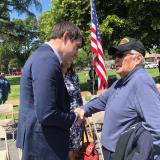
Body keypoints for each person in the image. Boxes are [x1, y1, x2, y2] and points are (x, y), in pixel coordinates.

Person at [75, 37, 160, 159]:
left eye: (121, 55)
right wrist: (84, 109)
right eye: (115, 56)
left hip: (126, 153)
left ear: (137, 59)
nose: (116, 59)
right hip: (113, 152)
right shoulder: (121, 82)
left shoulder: (142, 83)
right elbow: (101, 101)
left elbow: (157, 129)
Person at [16, 21, 83, 160]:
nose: (76, 53)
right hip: (44, 146)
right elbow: (46, 113)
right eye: (76, 46)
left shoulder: (42, 56)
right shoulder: (48, 59)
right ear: (65, 37)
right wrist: (74, 118)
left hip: (42, 143)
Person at [61, 62, 83, 160]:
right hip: (66, 115)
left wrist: (83, 112)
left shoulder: (74, 77)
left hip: (77, 114)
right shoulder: (58, 78)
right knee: (68, 146)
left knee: (76, 145)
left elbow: (79, 96)